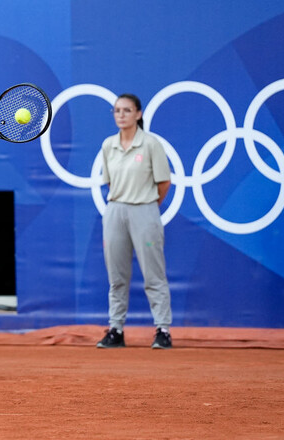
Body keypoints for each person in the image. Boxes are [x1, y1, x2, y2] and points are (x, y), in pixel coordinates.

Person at [96, 94, 173, 350]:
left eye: (127, 110)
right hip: (115, 211)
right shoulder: (108, 145)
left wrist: (147, 207)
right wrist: (124, 203)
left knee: (154, 274)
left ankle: (163, 329)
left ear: (138, 114)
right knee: (116, 276)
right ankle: (115, 329)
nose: (121, 115)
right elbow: (110, 182)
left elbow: (164, 183)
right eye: (117, 110)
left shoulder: (151, 144)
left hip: (145, 211)